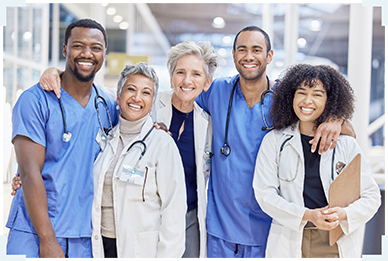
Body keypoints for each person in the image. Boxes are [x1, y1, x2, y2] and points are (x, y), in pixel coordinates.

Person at [195, 26, 355, 260]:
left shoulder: (285, 97)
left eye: (256, 50)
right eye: (242, 49)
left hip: (270, 229)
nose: (249, 56)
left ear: (269, 56)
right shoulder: (217, 90)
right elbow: (182, 100)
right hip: (222, 230)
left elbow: (348, 130)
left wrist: (336, 120)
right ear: (233, 55)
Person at [6, 18, 118, 260]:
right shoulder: (34, 101)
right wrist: (47, 239)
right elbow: (28, 173)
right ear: (65, 49)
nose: (87, 54)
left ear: (104, 53)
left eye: (96, 48)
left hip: (84, 235)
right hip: (34, 233)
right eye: (78, 46)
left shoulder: (108, 106)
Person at [252, 64, 381, 260]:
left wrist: (344, 213)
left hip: (334, 240)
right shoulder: (275, 141)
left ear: (330, 101)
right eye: (301, 93)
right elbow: (265, 194)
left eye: (317, 94)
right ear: (290, 97)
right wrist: (308, 215)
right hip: (291, 237)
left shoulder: (346, 144)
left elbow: (371, 197)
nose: (307, 100)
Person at [91, 62, 186, 259]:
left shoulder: (162, 144)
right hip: (101, 245)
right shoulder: (106, 138)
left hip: (141, 250)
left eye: (146, 93)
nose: (137, 98)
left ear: (152, 102)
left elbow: (174, 210)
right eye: (131, 89)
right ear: (118, 95)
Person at [152, 40, 217, 260]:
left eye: (196, 74)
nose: (187, 81)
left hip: (189, 217)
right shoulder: (150, 107)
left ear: (207, 82)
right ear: (171, 78)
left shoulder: (207, 123)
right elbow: (114, 95)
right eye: (180, 72)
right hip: (149, 214)